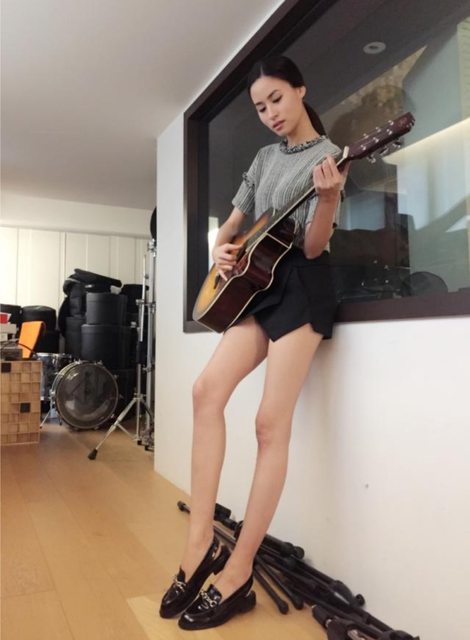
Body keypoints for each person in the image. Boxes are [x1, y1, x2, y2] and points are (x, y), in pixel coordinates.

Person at [159, 55, 349, 631]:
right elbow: (232, 226)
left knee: (269, 425)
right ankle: (199, 546)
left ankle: (238, 572)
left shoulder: (331, 157)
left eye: (276, 99)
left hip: (302, 287)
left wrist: (330, 199)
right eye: (260, 107)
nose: (270, 113)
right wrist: (220, 249)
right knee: (206, 391)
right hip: (256, 285)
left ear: (300, 90)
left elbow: (312, 248)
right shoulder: (265, 158)